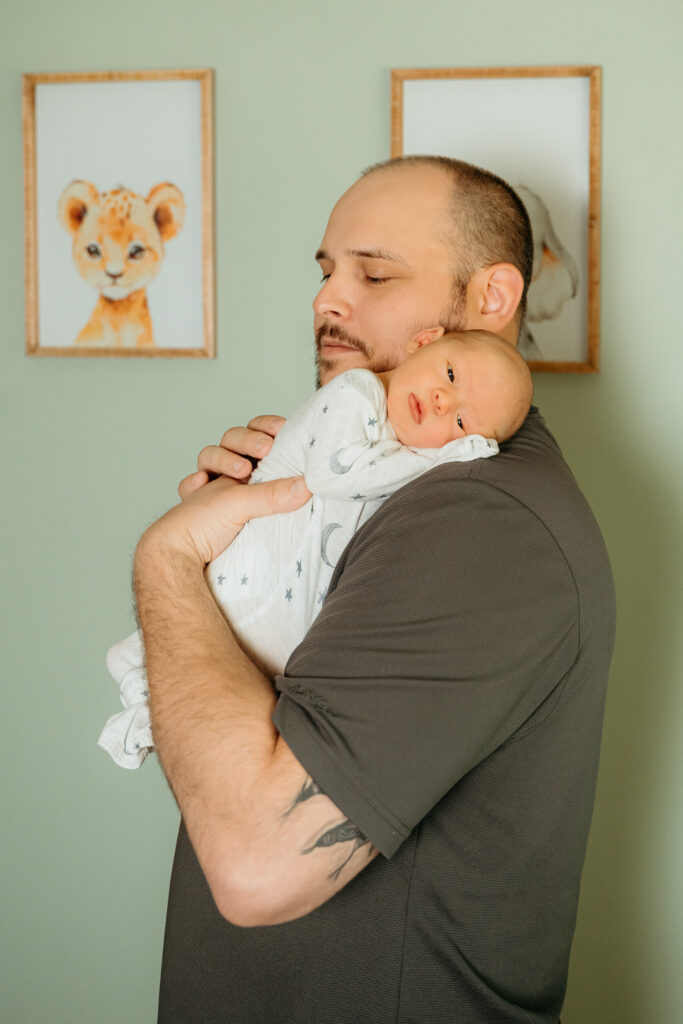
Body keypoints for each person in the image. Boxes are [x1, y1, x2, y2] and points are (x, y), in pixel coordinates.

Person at [133, 156, 615, 1023]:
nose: (328, 299)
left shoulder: (480, 522)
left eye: (375, 274)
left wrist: (167, 563)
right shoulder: (394, 482)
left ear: (492, 297)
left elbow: (256, 867)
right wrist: (239, 560)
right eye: (326, 271)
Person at [100, 329, 532, 768]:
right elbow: (334, 476)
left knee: (225, 679)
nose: (442, 401)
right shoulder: (357, 392)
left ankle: (151, 699)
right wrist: (442, 457)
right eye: (451, 374)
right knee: (200, 638)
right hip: (249, 573)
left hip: (284, 630)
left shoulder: (408, 461)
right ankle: (140, 685)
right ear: (423, 342)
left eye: (460, 424)